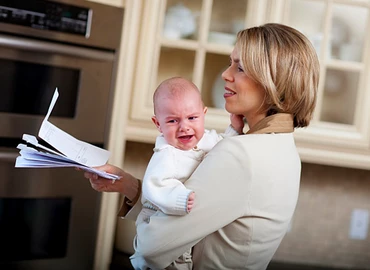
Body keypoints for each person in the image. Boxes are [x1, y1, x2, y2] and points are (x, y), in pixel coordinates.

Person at [84, 23, 319, 270]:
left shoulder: (241, 154)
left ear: (273, 81)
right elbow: (200, 216)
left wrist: (146, 229)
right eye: (231, 63)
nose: (226, 74)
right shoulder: (283, 148)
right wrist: (130, 185)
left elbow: (151, 248)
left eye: (240, 67)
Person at [136, 76, 244, 269]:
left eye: (192, 118)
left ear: (203, 114)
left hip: (190, 227)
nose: (184, 127)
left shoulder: (209, 140)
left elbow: (225, 147)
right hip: (161, 217)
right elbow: (155, 185)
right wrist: (179, 199)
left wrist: (234, 129)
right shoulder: (166, 155)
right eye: (172, 120)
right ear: (158, 124)